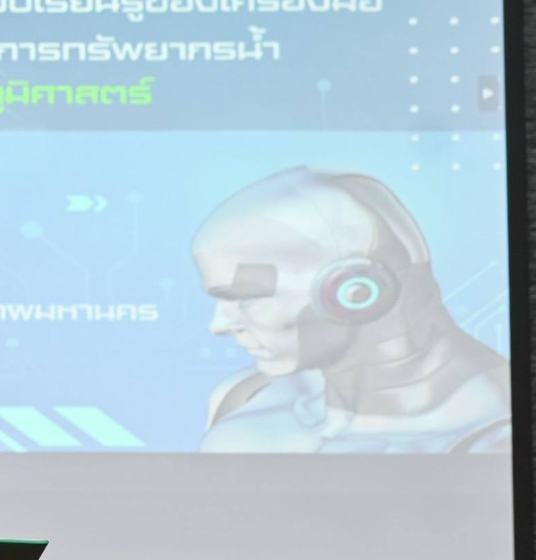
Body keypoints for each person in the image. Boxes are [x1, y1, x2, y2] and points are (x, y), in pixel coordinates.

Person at [192, 165, 511, 453]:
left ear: (353, 291)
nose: (219, 325)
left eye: (245, 297)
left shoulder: (494, 438)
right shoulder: (242, 397)